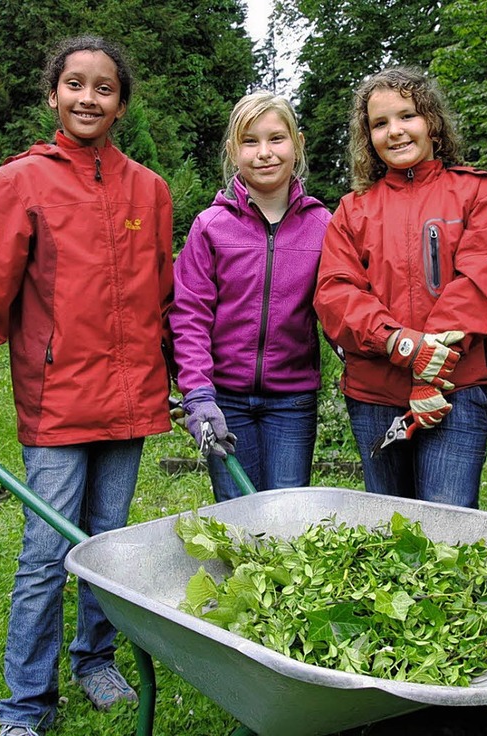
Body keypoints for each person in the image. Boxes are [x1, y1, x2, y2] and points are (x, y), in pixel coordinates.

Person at [0, 35, 174, 736]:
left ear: (121, 103)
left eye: (104, 87)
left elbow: (160, 303)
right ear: (52, 95)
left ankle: (94, 660)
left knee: (108, 546)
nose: (88, 97)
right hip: (58, 404)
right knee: (46, 554)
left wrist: (187, 385)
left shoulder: (148, 191)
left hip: (129, 404)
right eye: (75, 84)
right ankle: (25, 705)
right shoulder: (19, 184)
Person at [314, 66, 487, 509]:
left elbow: (485, 281)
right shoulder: (353, 210)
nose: (395, 131)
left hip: (456, 391)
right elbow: (335, 294)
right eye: (379, 123)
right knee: (391, 527)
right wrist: (404, 346)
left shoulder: (477, 194)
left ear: (431, 122)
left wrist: (432, 374)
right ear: (367, 136)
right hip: (374, 396)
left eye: (406, 116)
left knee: (448, 532)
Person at [170, 91, 331, 501]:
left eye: (276, 139)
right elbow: (190, 316)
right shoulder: (211, 226)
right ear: (232, 151)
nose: (264, 153)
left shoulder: (323, 225)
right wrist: (198, 395)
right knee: (237, 514)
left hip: (292, 401)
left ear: (298, 144)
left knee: (287, 511)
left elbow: (339, 307)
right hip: (224, 399)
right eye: (250, 141)